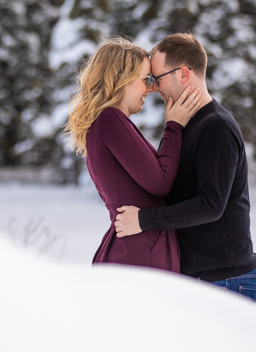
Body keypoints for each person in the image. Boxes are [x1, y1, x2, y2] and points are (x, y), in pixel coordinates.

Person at [113, 33, 256, 301]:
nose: (153, 89)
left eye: (156, 79)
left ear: (183, 74)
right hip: (200, 277)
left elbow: (210, 205)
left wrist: (143, 220)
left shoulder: (216, 127)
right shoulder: (185, 124)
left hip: (223, 278)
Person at [65, 38, 201, 271]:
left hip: (137, 247)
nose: (151, 88)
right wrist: (174, 126)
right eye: (145, 79)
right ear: (122, 79)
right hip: (140, 252)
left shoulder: (111, 123)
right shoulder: (110, 120)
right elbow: (160, 182)